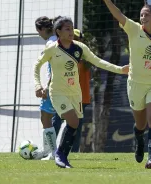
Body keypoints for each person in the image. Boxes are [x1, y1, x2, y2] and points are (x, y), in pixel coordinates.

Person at [33, 17, 128, 168]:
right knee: (73, 121)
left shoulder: (80, 48)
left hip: (75, 93)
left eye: (71, 28)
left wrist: (120, 69)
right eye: (67, 29)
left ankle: (61, 156)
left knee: (74, 125)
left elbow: (98, 61)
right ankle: (59, 155)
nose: (71, 32)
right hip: (57, 92)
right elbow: (37, 65)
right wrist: (38, 85)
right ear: (58, 32)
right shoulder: (52, 48)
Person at [98, 0, 151, 169]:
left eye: (146, 15)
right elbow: (118, 15)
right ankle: (139, 140)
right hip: (135, 84)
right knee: (140, 125)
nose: (142, 17)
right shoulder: (134, 29)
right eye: (141, 14)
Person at [34, 16, 62, 160]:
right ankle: (47, 150)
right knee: (47, 117)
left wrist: (47, 87)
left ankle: (53, 151)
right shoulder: (57, 41)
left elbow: (54, 69)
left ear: (43, 29)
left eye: (38, 31)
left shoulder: (50, 43)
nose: (39, 34)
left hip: (54, 86)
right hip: (62, 85)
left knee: (45, 117)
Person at [71, 29, 91, 153]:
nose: (74, 41)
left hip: (81, 98)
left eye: (77, 39)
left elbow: (88, 66)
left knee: (77, 128)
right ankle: (56, 150)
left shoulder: (85, 57)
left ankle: (74, 152)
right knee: (59, 122)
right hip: (67, 95)